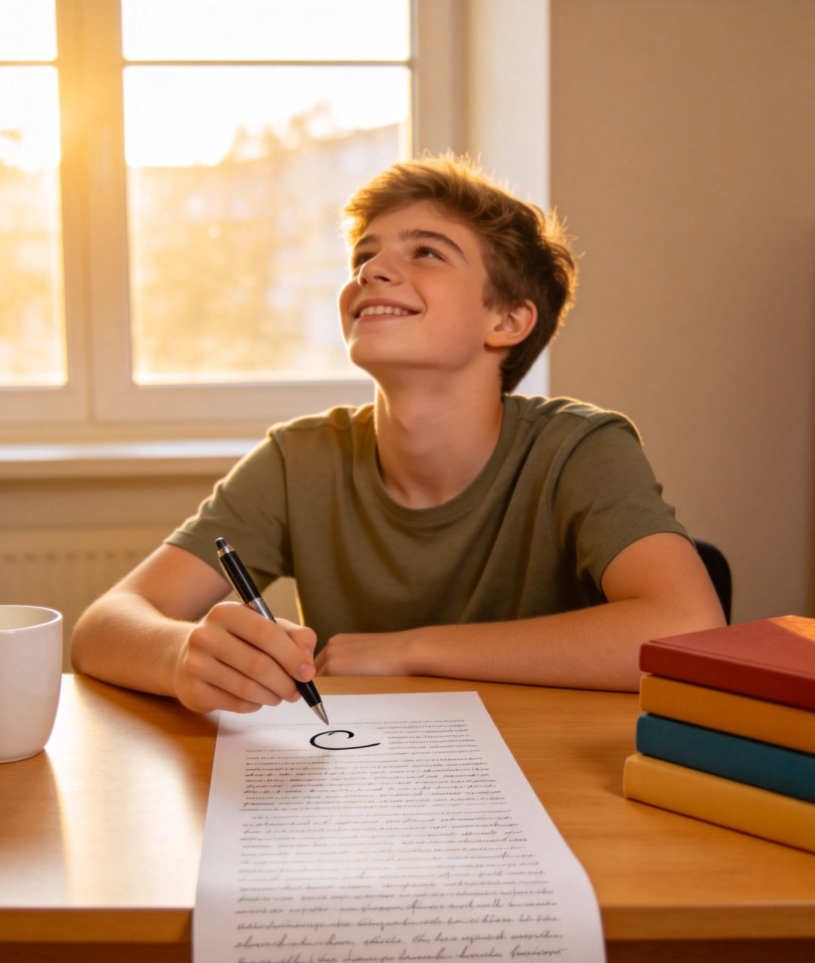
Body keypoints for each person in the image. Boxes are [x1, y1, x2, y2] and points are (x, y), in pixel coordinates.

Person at [71, 153, 725, 715]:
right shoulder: (300, 460)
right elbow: (102, 627)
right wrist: (184, 654)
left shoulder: (580, 449)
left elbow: (687, 626)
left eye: (426, 253)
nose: (371, 271)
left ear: (507, 320)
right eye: (365, 254)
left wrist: (411, 648)